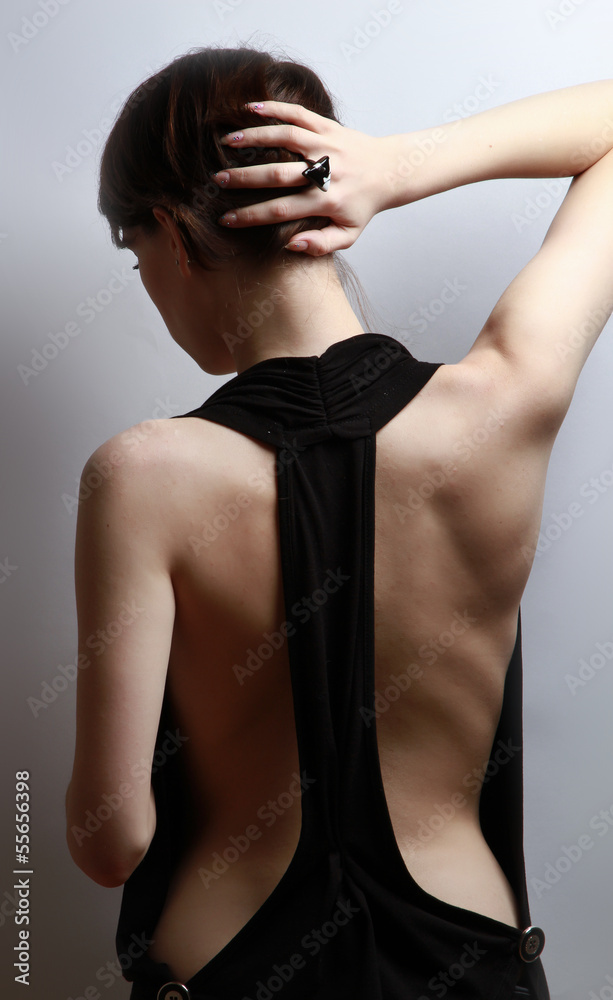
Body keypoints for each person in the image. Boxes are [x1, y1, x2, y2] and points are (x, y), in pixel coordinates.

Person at [64, 44, 613, 1000]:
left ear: (172, 236)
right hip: (465, 958)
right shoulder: (501, 402)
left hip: (233, 964)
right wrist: (399, 166)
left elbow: (111, 842)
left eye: (137, 254)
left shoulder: (139, 476)